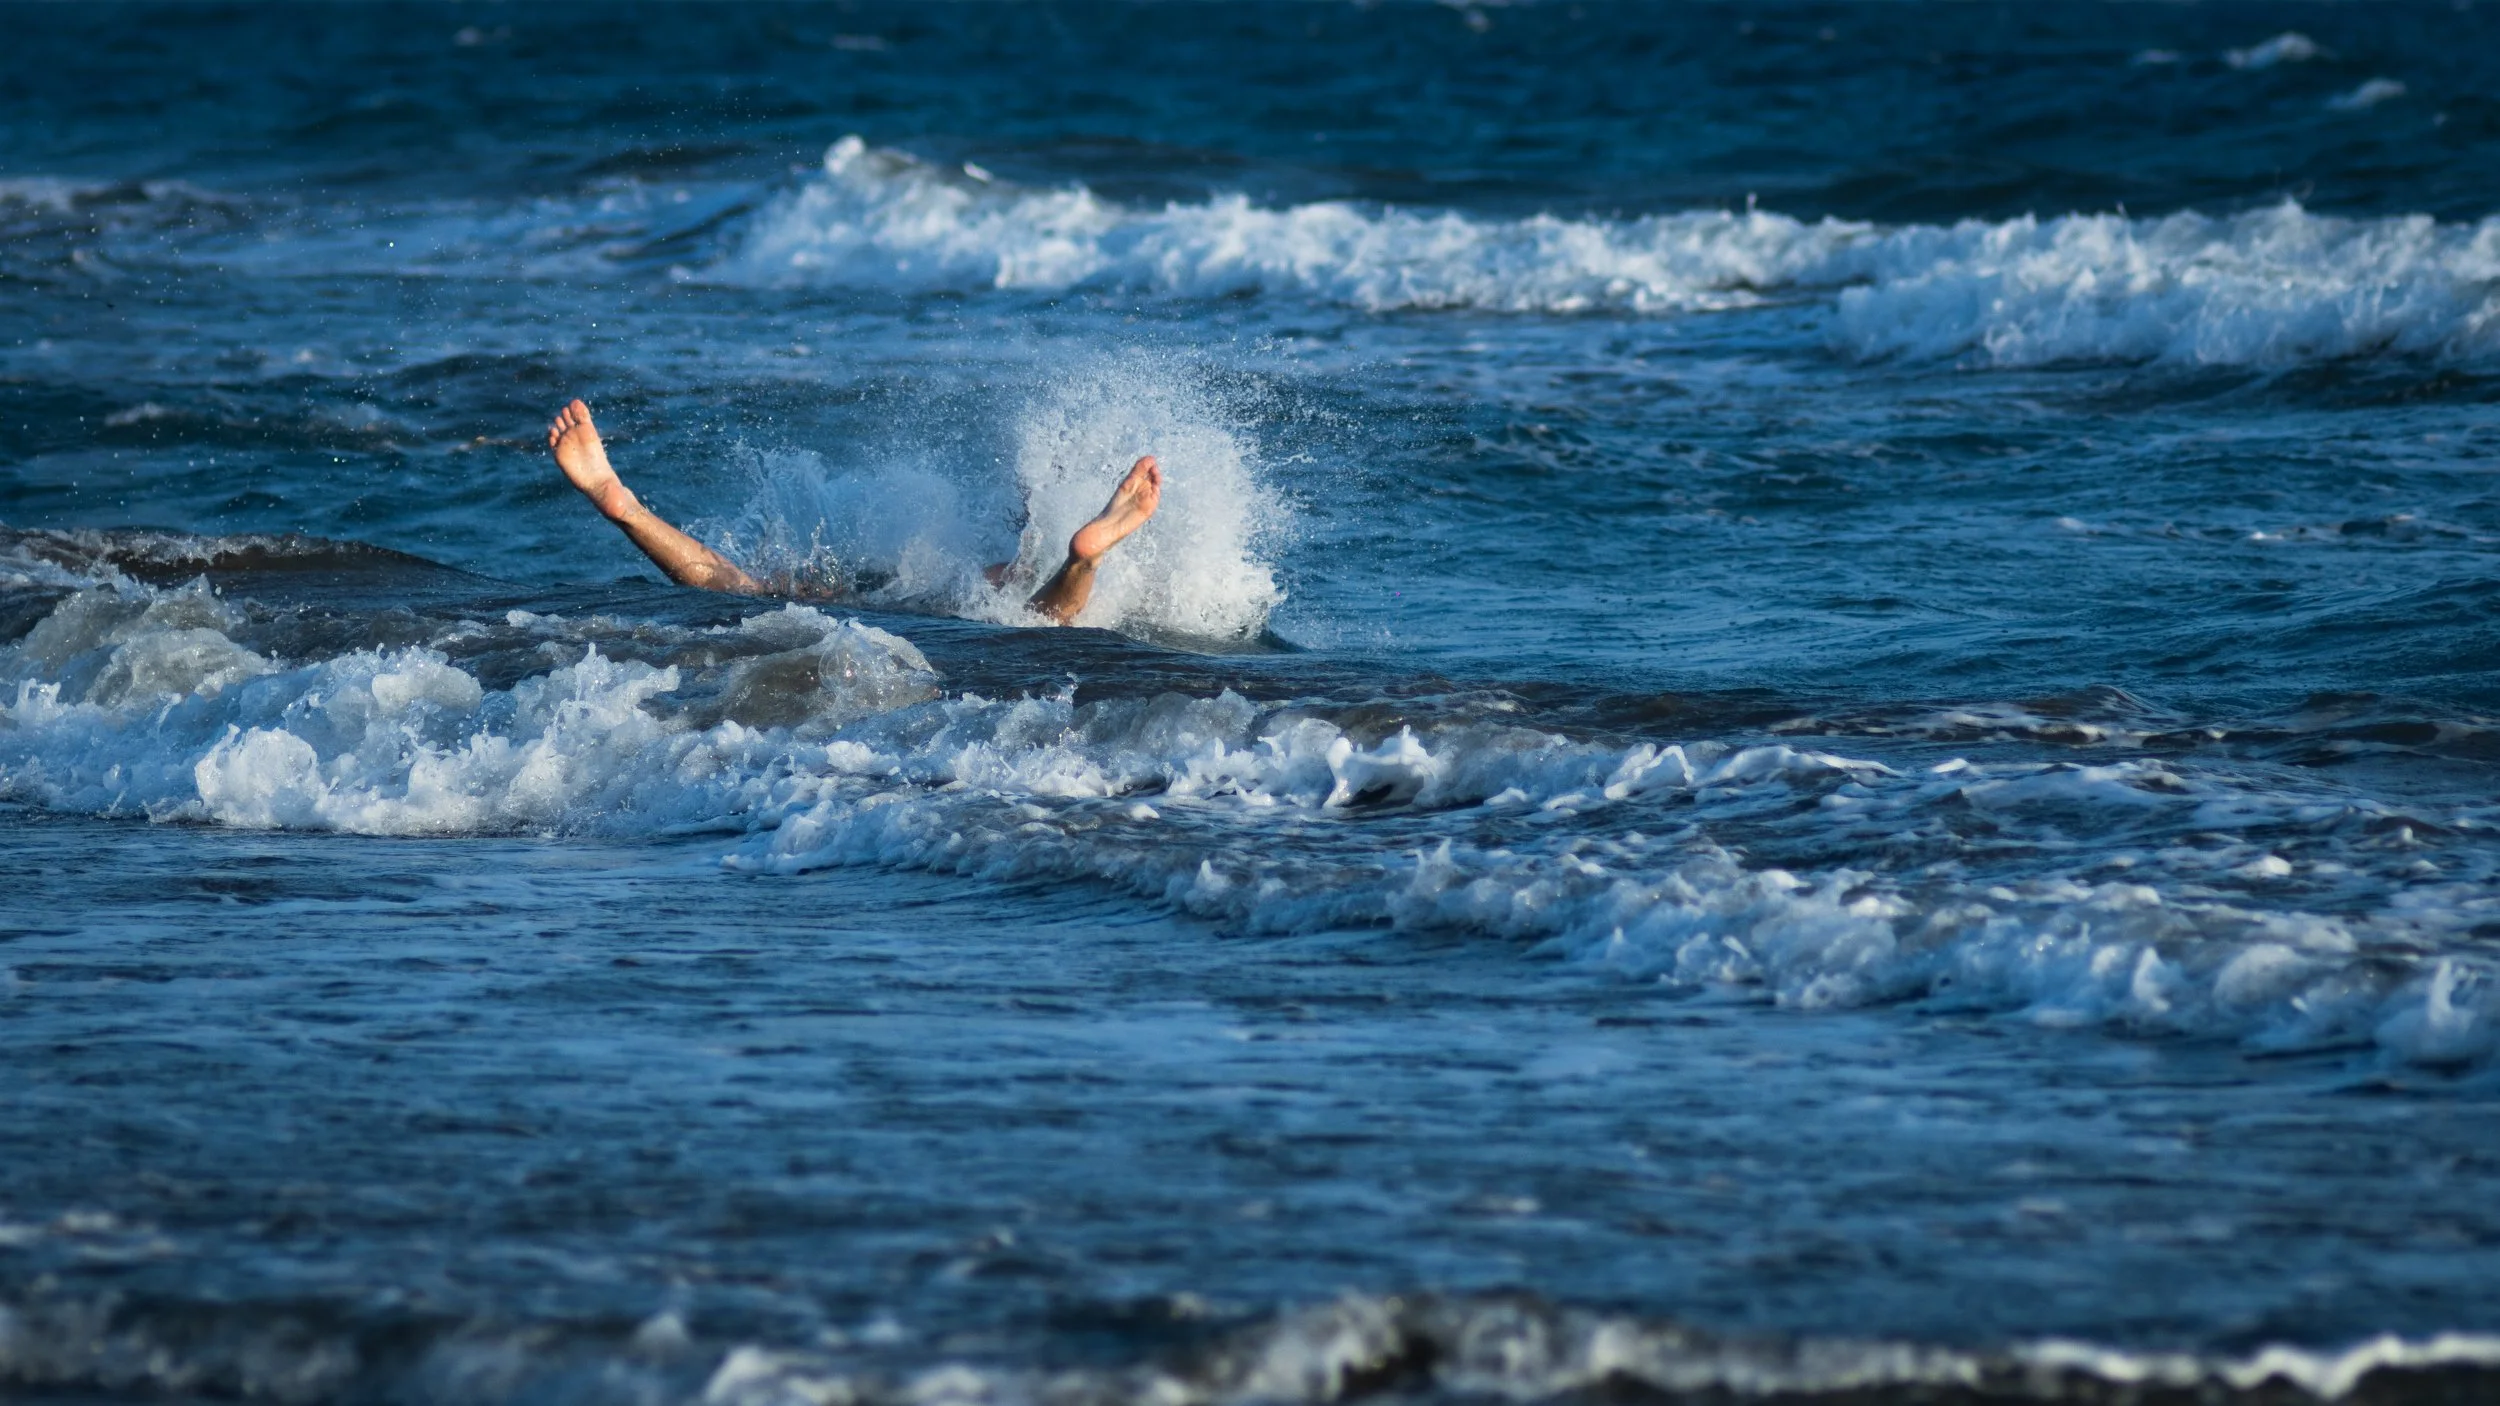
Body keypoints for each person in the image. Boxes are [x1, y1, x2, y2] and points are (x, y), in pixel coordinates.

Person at [545, 399, 1161, 625]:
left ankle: (624, 506)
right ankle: (1082, 558)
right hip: (955, 608)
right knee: (1033, 613)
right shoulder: (969, 571)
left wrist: (622, 508)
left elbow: (714, 575)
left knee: (738, 588)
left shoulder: (842, 582)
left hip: (885, 609)